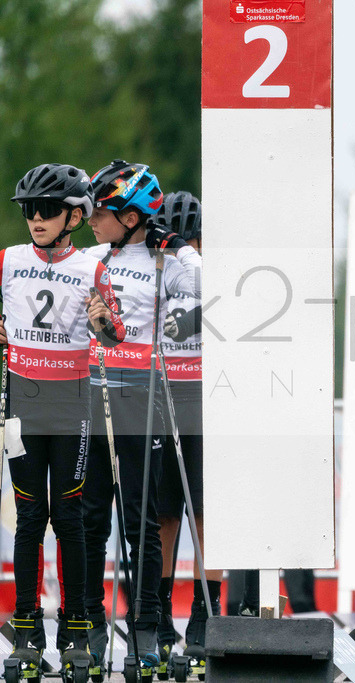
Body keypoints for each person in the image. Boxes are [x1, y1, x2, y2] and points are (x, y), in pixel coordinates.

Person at [2, 164, 126, 678]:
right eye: (30, 209)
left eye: (48, 209)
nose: (36, 218)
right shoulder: (8, 260)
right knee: (29, 518)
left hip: (72, 400)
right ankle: (26, 628)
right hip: (21, 404)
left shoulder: (92, 268)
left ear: (75, 215)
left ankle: (76, 626)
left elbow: (115, 333)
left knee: (67, 517)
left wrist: (103, 322)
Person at [81, 160, 201, 677]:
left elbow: (194, 307)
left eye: (101, 211)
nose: (91, 218)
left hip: (141, 397)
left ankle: (147, 627)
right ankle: (86, 622)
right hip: (93, 397)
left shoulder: (169, 260)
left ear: (131, 218)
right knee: (87, 518)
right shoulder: (94, 256)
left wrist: (123, 327)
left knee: (140, 519)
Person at [151, 191, 220, 671]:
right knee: (164, 518)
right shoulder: (153, 270)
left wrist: (187, 250)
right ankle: (156, 614)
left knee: (206, 518)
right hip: (162, 398)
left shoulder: (207, 269)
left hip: (208, 401)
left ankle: (203, 615)